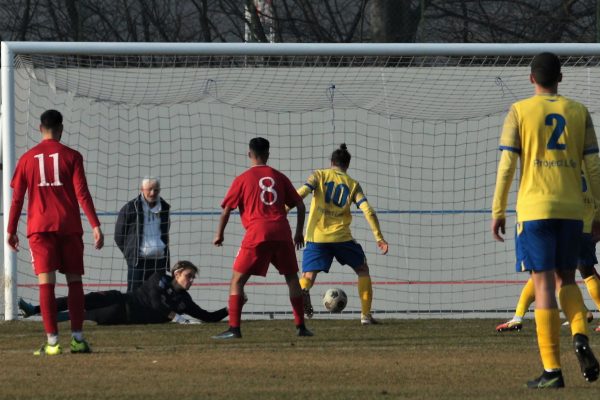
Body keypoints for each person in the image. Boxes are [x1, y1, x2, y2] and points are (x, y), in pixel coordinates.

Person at [491, 52, 600, 388]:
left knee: (543, 286)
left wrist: (497, 210)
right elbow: (594, 167)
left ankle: (552, 370)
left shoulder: (519, 111)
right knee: (567, 279)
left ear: (530, 78)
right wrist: (598, 209)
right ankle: (580, 335)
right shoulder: (579, 111)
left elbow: (508, 165)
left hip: (535, 210)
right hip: (572, 212)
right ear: (561, 78)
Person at [6, 109, 104, 355]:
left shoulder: (27, 159)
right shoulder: (73, 156)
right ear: (61, 129)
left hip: (40, 229)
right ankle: (78, 339)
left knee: (46, 283)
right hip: (69, 226)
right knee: (74, 281)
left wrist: (10, 229)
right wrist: (95, 224)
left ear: (41, 129)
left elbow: (17, 199)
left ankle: (52, 343)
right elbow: (82, 193)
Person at [212, 137, 312, 339]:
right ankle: (301, 327)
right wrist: (299, 232)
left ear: (249, 154)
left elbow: (226, 211)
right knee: (292, 278)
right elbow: (300, 206)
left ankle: (234, 329)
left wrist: (219, 235)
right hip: (282, 232)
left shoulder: (242, 179)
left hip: (257, 233)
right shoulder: (279, 177)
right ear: (268, 154)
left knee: (237, 280)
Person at [295, 144, 389, 325]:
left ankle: (302, 298)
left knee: (307, 276)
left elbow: (302, 193)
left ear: (331, 162)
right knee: (362, 270)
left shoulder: (319, 175)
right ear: (347, 165)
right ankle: (365, 316)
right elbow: (367, 210)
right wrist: (379, 238)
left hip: (317, 237)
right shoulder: (353, 185)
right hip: (342, 238)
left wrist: (282, 209)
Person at [497, 172, 600, 333]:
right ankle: (582, 312)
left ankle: (518, 318)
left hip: (568, 224)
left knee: (546, 272)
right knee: (585, 272)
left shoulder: (564, 161)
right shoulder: (588, 162)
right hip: (586, 225)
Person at [19, 261, 228, 325]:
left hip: (119, 315)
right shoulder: (158, 278)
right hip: (119, 299)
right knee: (77, 300)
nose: (191, 280)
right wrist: (176, 317)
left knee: (79, 315)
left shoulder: (185, 301)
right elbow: (155, 302)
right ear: (177, 273)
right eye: (189, 276)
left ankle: (43, 317)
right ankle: (35, 309)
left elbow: (207, 317)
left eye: (193, 278)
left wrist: (231, 308)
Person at [115, 177, 170, 292]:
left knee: (158, 296)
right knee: (134, 296)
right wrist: (131, 253)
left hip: (159, 262)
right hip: (138, 263)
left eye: (156, 190)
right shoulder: (130, 207)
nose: (152, 193)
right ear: (141, 189)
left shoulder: (164, 207)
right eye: (149, 189)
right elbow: (119, 235)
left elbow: (165, 230)